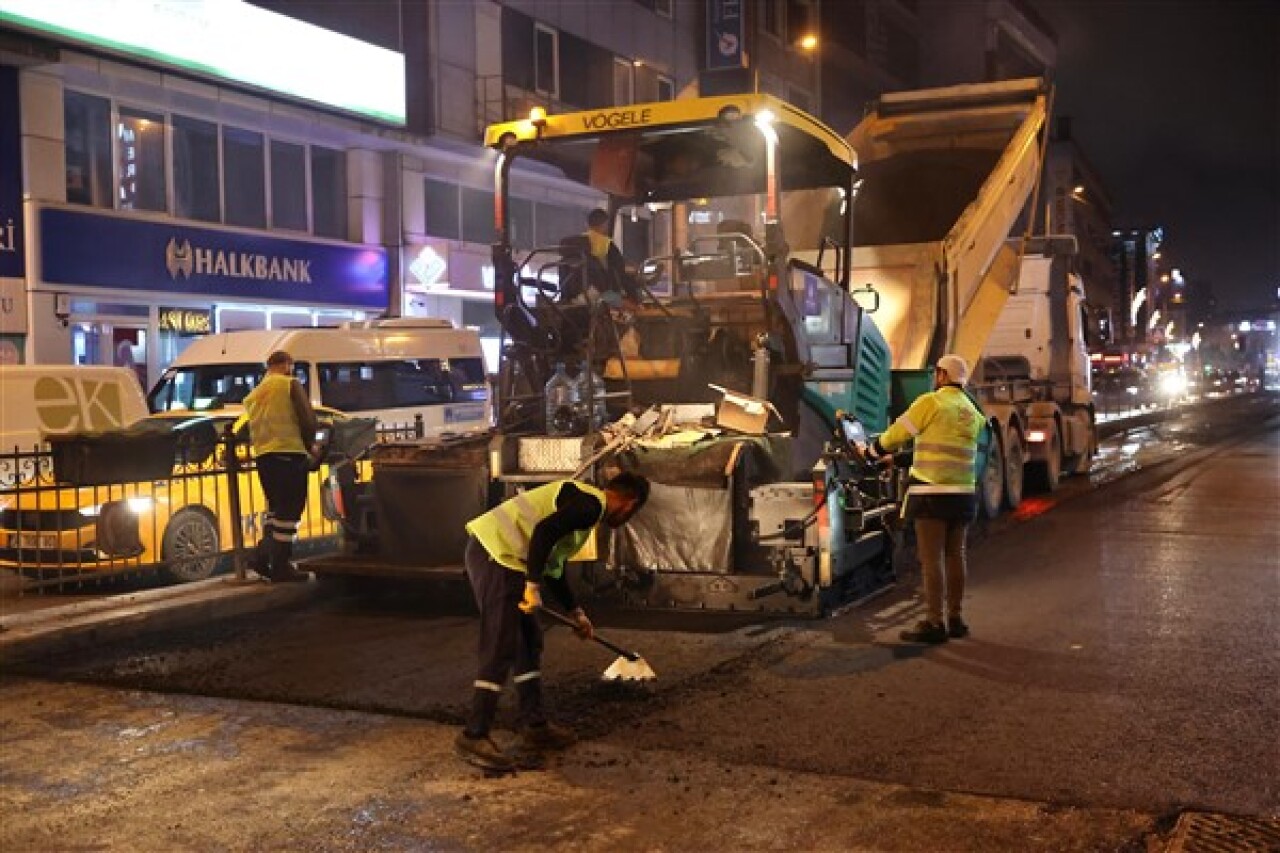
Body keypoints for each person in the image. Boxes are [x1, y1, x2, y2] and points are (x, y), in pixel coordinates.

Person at [455, 472, 651, 771]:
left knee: (529, 641)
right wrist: (532, 586)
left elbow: (553, 567)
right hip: (495, 555)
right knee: (501, 643)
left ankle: (535, 725)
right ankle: (474, 734)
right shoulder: (590, 506)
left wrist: (576, 613)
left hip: (508, 559)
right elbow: (544, 532)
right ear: (630, 504)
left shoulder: (584, 505)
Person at [870, 354, 983, 644]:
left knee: (931, 560)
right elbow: (943, 447)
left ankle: (934, 622)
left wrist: (873, 450)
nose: (935, 378)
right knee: (956, 556)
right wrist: (897, 460)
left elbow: (895, 434)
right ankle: (955, 619)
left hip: (932, 495)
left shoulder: (931, 402)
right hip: (963, 495)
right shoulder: (971, 412)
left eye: (937, 373)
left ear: (943, 375)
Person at [242, 350, 320, 583]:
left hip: (265, 458)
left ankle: (263, 557)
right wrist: (311, 446)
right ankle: (279, 564)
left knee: (275, 512)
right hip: (290, 454)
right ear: (287, 365)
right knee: (290, 512)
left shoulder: (254, 394)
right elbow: (307, 420)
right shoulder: (289, 385)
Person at [561, 209, 640, 304]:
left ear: (587, 224)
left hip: (572, 295)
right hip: (600, 294)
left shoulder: (575, 244)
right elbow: (620, 273)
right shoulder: (607, 244)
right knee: (629, 302)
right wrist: (634, 294)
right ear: (605, 224)